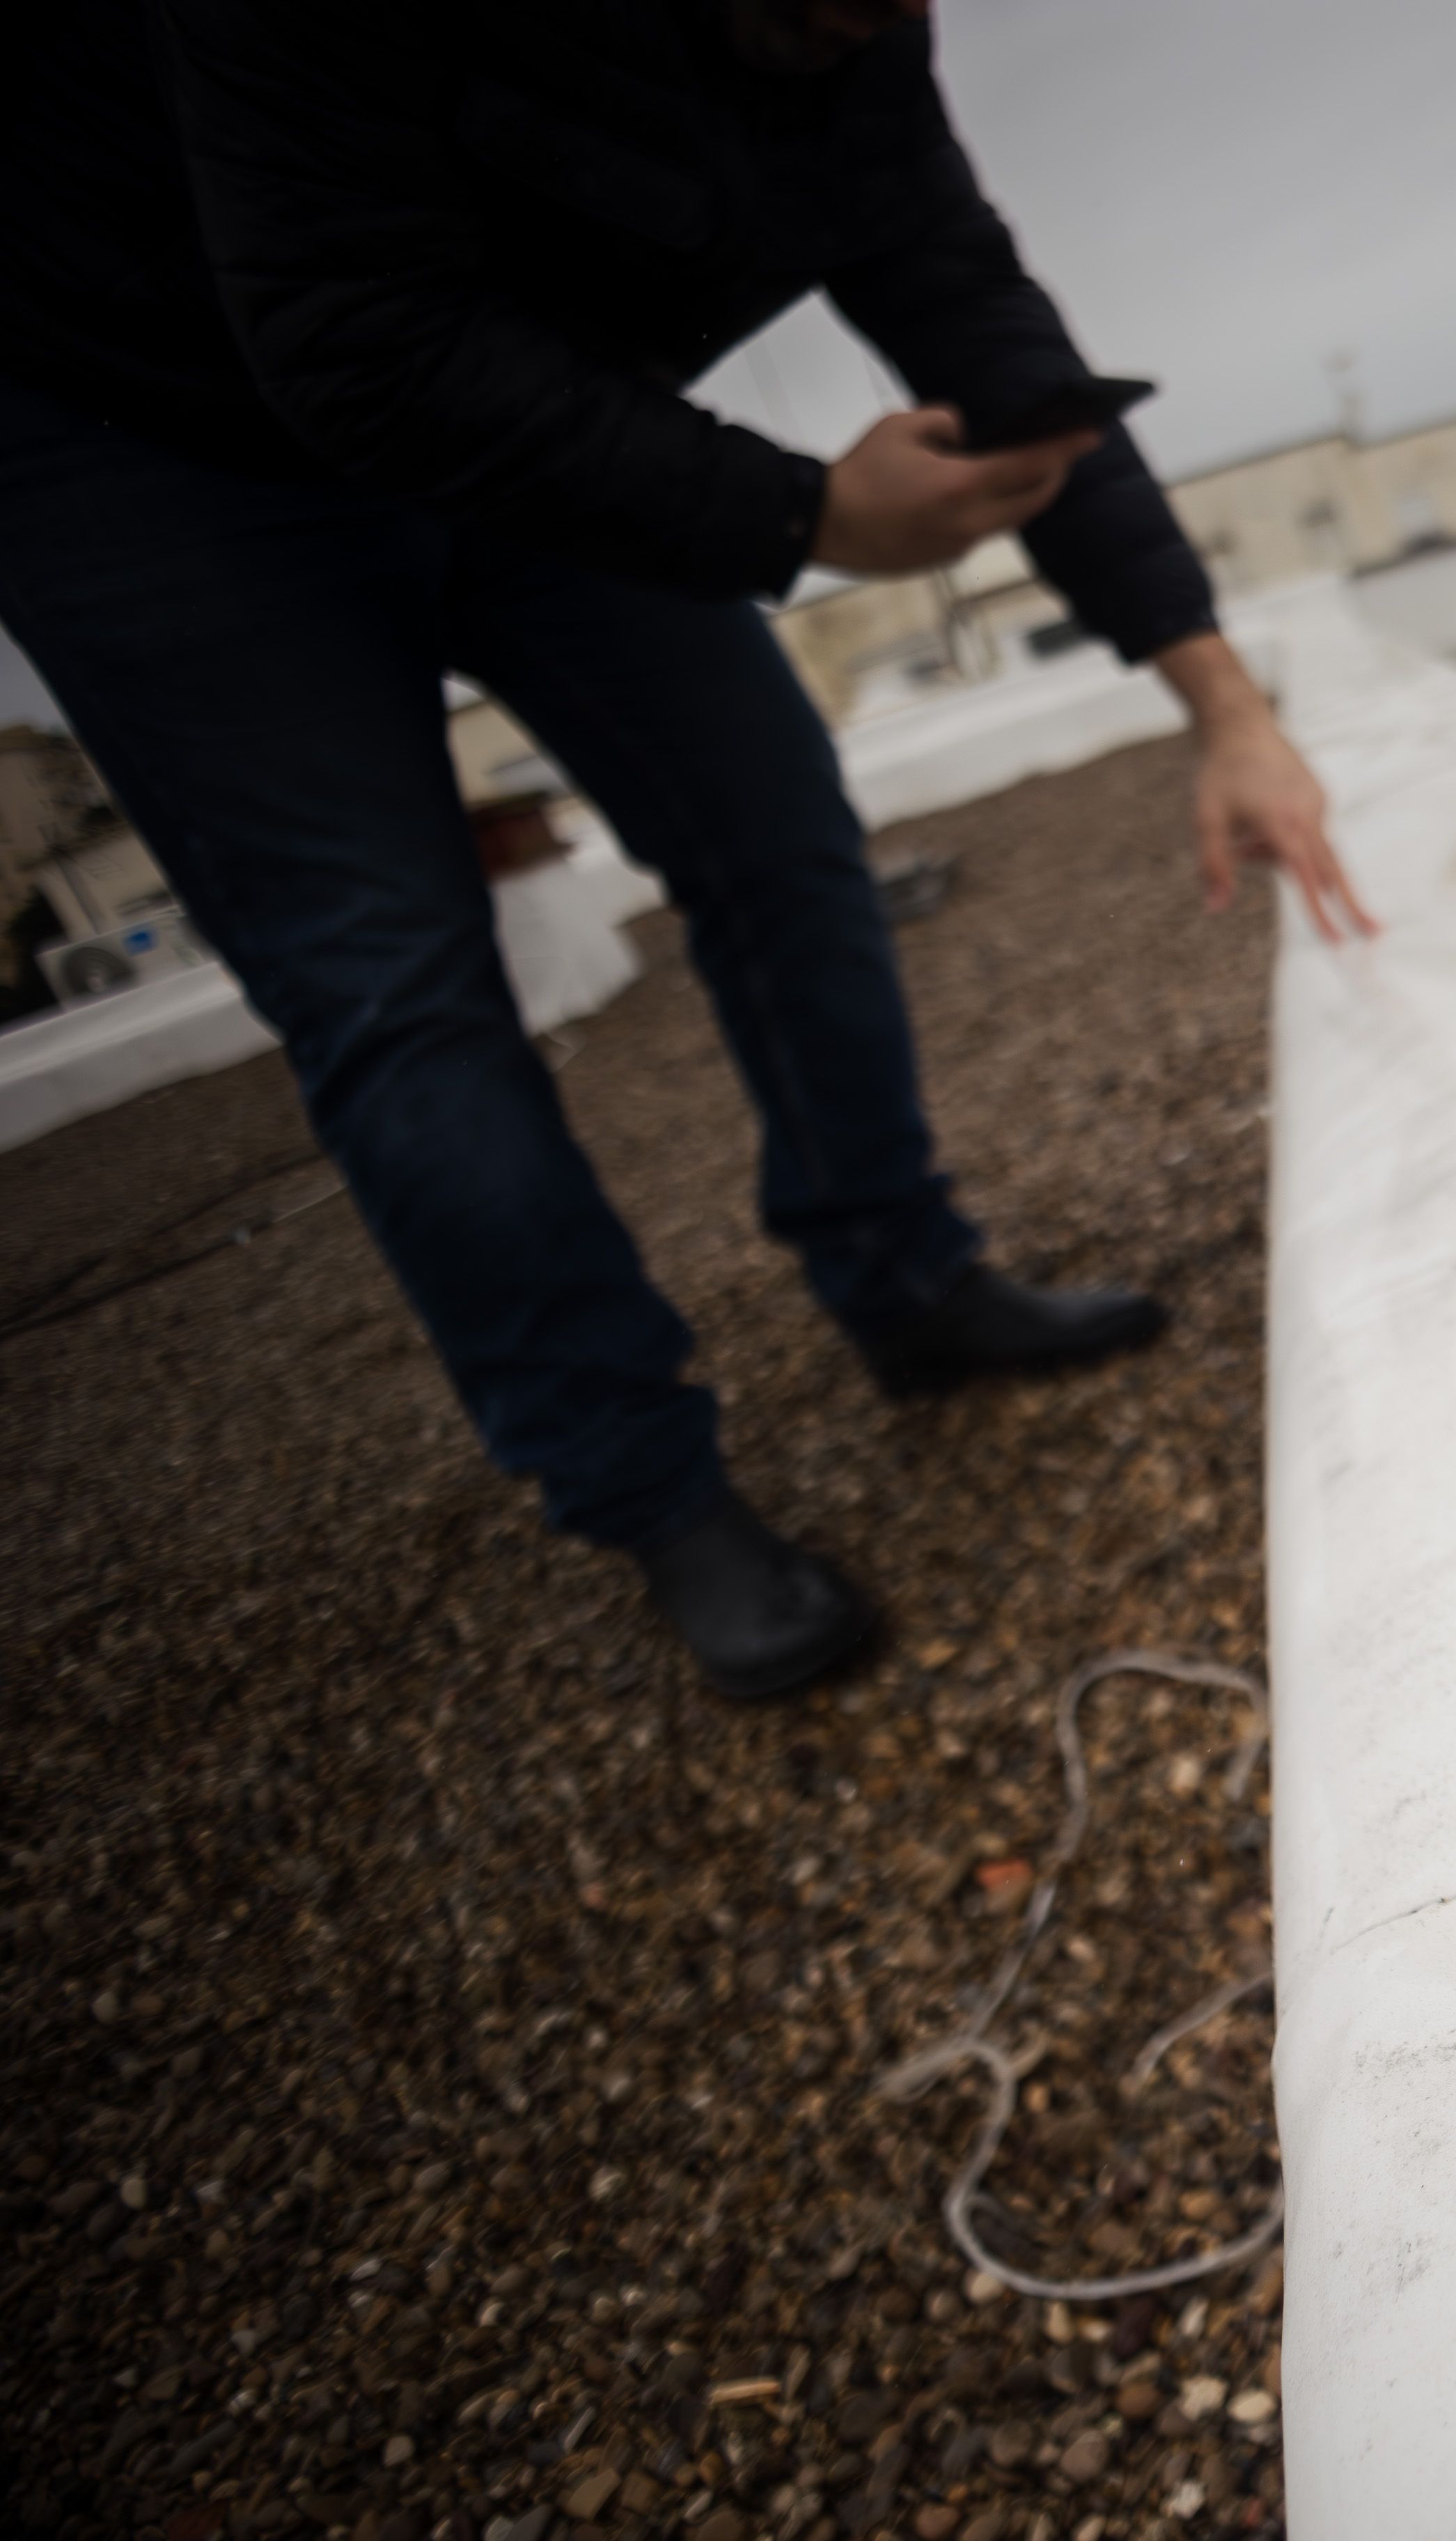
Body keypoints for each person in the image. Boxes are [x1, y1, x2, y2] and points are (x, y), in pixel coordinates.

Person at [0, 0, 1374, 1700]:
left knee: (779, 830)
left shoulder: (850, 36)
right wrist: (805, 516)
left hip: (511, 370)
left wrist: (1220, 700)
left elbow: (979, 324)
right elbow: (363, 342)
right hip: (143, 430)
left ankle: (905, 1278)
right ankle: (646, 1488)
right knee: (394, 987)